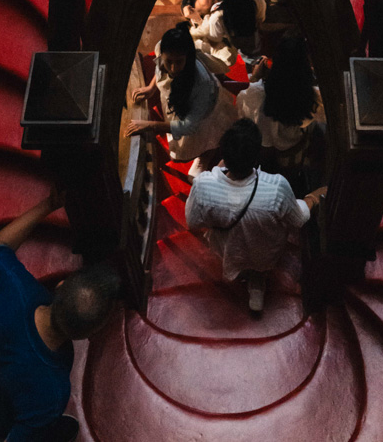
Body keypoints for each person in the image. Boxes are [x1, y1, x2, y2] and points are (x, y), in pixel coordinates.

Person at [0, 189, 119, 442]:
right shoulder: (52, 391)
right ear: (86, 335)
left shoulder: (18, 291)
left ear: (60, 286)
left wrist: (48, 204)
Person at [184, 119, 326, 313]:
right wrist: (313, 198)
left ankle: (243, 277)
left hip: (227, 246)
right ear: (257, 156)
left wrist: (216, 172)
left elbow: (192, 221)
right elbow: (298, 219)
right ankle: (257, 286)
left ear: (224, 154)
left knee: (238, 260)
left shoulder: (203, 185)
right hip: (265, 249)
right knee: (259, 268)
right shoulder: (276, 186)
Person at [129, 22, 240, 164]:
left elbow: (188, 125)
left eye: (179, 62)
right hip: (177, 100)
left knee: (205, 142)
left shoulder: (201, 84)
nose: (173, 69)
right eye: (169, 61)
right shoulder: (161, 47)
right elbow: (160, 66)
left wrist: (150, 125)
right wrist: (151, 88)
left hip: (200, 112)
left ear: (188, 58)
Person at [237, 32, 324, 180]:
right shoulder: (312, 97)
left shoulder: (254, 94)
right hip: (291, 148)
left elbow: (244, 115)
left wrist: (255, 78)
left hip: (262, 148)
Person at [188, 0, 265, 71]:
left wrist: (198, 21)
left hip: (235, 56)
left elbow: (214, 42)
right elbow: (260, 22)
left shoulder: (217, 17)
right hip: (257, 48)